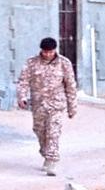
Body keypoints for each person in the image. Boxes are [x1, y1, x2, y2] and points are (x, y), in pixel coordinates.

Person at [17, 37, 77, 176]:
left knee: (53, 132)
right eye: (45, 52)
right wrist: (22, 97)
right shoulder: (32, 63)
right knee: (40, 131)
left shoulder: (64, 63)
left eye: (50, 52)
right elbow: (23, 81)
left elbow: (70, 86)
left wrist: (72, 107)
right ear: (41, 50)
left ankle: (52, 160)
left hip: (57, 104)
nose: (48, 54)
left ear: (55, 50)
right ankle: (45, 152)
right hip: (39, 104)